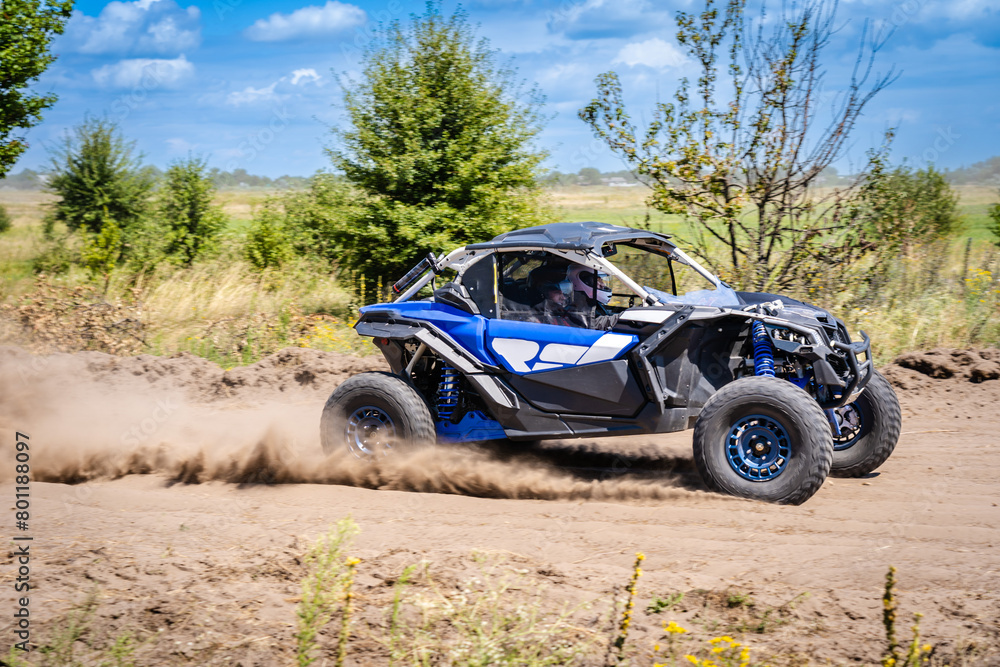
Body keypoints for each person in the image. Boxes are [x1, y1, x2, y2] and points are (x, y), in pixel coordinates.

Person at [566, 264, 619, 329]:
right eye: (598, 281)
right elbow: (595, 323)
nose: (603, 285)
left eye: (601, 280)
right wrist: (621, 317)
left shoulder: (590, 300)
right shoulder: (580, 305)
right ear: (586, 281)